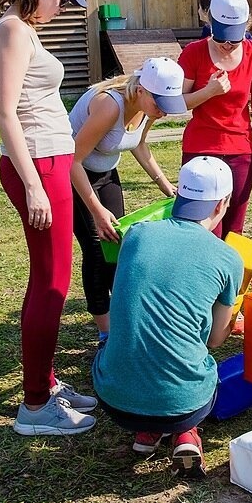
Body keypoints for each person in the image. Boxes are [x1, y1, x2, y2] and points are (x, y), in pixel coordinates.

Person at [0, 0, 98, 436]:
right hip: (38, 165)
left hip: (50, 163)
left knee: (51, 278)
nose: (64, 8)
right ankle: (34, 407)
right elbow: (5, 112)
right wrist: (33, 183)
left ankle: (46, 381)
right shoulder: (13, 30)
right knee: (51, 284)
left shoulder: (25, 30)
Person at [91, 156, 243, 478]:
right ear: (222, 203)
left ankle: (148, 431)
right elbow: (215, 339)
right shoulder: (229, 257)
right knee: (199, 367)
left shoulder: (136, 234)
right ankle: (186, 433)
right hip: (184, 402)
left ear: (180, 195)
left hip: (113, 399)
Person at [67, 57, 185, 339]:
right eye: (160, 105)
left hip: (106, 173)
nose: (163, 113)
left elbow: (140, 146)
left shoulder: (148, 108)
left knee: (118, 246)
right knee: (96, 249)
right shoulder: (110, 105)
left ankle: (119, 315)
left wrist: (166, 185)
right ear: (142, 91)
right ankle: (105, 333)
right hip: (75, 175)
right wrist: (96, 211)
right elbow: (72, 160)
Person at [179, 0, 252, 238]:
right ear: (210, 23)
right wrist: (208, 92)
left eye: (235, 38)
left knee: (234, 230)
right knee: (206, 230)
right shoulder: (193, 52)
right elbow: (177, 103)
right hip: (201, 151)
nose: (228, 45)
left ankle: (232, 279)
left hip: (241, 152)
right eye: (221, 38)